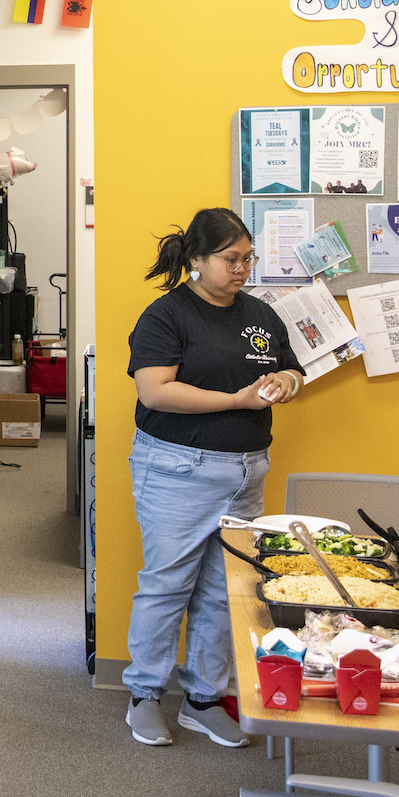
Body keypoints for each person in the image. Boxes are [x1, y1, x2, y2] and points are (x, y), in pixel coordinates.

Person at [124, 207, 302, 749]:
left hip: (246, 470)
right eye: (230, 259)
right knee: (167, 584)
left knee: (225, 592)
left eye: (248, 258)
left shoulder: (261, 314)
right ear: (197, 260)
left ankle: (203, 697)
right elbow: (154, 391)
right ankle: (145, 696)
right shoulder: (167, 316)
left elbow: (294, 367)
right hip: (178, 469)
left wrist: (288, 382)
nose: (241, 268)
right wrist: (237, 399)